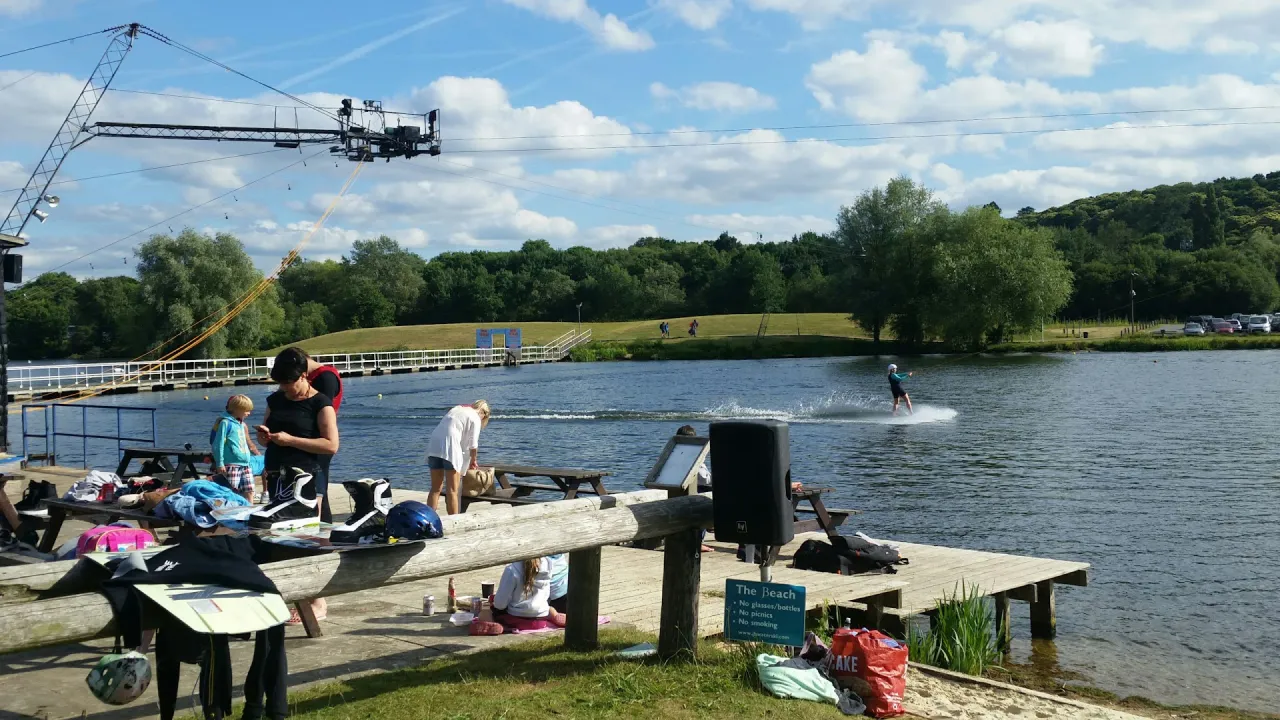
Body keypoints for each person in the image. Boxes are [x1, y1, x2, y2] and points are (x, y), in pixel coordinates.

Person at [257, 347, 339, 624]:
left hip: (307, 476)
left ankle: (317, 601)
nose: (285, 389)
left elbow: (331, 445)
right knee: (279, 536)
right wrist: (265, 438)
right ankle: (295, 596)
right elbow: (265, 436)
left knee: (306, 539)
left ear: (303, 376)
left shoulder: (321, 403)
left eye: (289, 384)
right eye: (281, 384)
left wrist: (290, 440)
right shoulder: (276, 399)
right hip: (277, 474)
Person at [293, 348, 344, 523]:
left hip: (320, 438)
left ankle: (323, 528)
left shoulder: (325, 377)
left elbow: (321, 406)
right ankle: (322, 527)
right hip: (310, 438)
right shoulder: (316, 376)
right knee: (317, 490)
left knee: (318, 488)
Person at [426, 400, 491, 515]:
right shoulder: (475, 417)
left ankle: (429, 520)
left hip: (434, 445)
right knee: (453, 491)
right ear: (484, 413)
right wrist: (473, 460)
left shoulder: (457, 409)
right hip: (450, 448)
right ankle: (454, 522)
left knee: (435, 489)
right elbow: (473, 445)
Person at [211, 394, 261, 502]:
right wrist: (220, 463)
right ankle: (231, 512)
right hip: (232, 464)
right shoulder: (225, 423)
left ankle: (249, 511)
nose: (249, 413)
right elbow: (217, 444)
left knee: (249, 490)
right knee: (231, 491)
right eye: (247, 410)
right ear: (238, 409)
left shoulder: (241, 424)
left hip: (245, 464)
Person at [492, 557, 563, 628]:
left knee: (493, 609)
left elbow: (500, 605)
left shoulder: (512, 568)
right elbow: (547, 593)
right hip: (541, 619)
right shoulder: (548, 563)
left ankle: (493, 626)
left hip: (515, 618)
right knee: (550, 609)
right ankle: (557, 616)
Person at [676, 425, 714, 553]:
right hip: (694, 494)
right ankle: (699, 541)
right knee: (704, 506)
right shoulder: (693, 457)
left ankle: (709, 527)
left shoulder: (675, 454)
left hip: (680, 493)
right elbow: (705, 478)